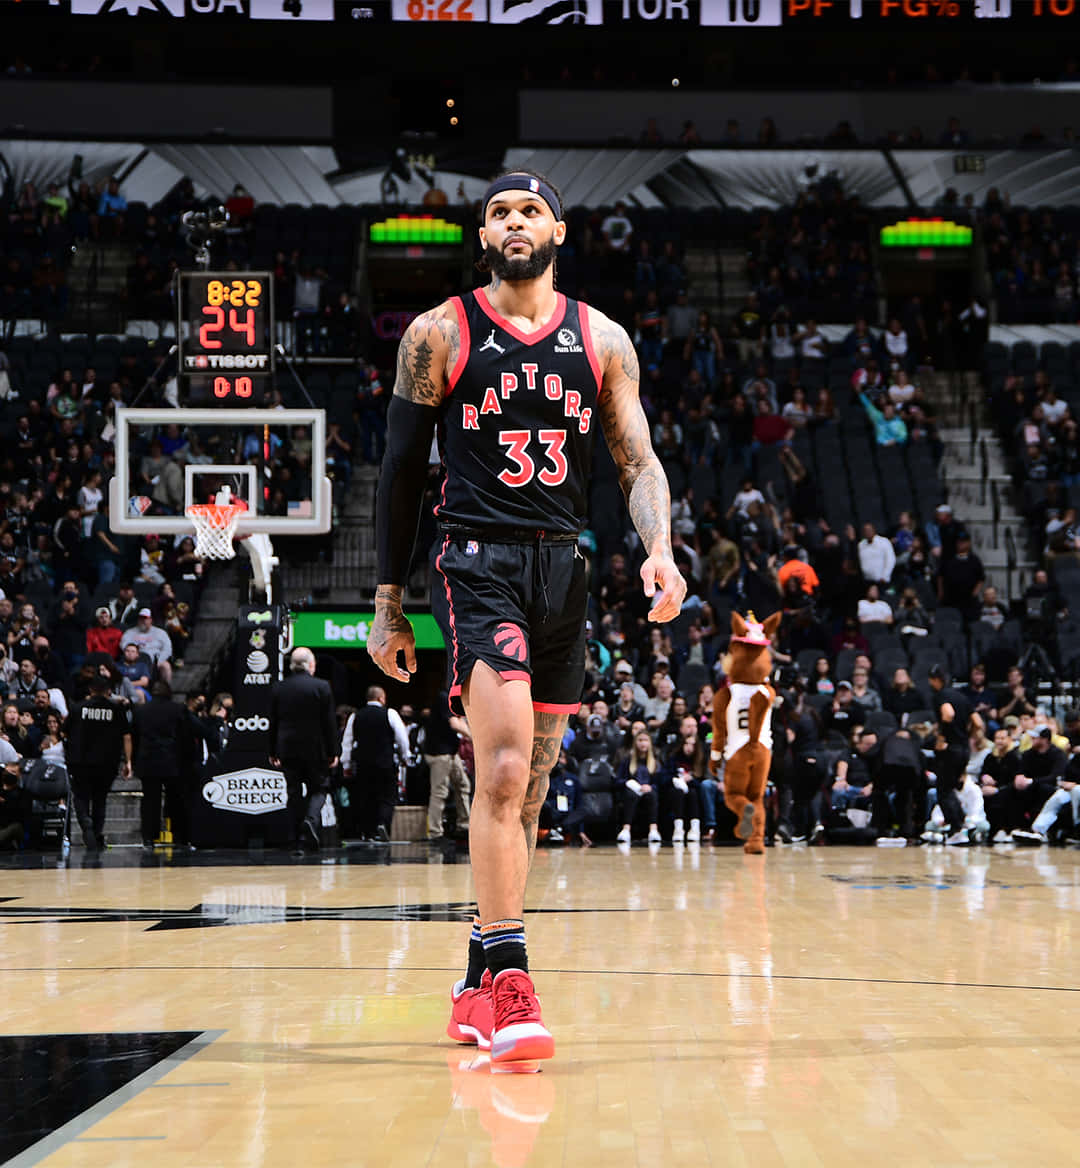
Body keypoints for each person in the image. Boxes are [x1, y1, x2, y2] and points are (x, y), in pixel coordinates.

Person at [367, 169, 686, 1067]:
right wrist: (389, 603)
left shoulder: (602, 338)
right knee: (502, 769)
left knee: (533, 792)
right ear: (484, 235)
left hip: (565, 569)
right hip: (476, 561)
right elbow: (398, 474)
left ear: (558, 229)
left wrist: (658, 548)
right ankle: (512, 984)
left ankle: (474, 980)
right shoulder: (438, 333)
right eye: (499, 211)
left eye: (530, 210)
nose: (515, 221)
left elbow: (639, 461)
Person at [268, 647, 339, 852]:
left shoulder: (278, 688)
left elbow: (273, 722)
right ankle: (310, 820)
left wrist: (272, 750)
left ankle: (296, 838)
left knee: (293, 792)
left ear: (292, 665)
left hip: (287, 748)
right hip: (315, 749)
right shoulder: (322, 686)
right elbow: (329, 723)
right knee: (319, 788)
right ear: (311, 665)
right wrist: (334, 752)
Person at [65, 672, 133, 851]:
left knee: (80, 796)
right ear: (108, 691)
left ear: (90, 689)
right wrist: (128, 762)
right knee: (100, 799)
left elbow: (65, 732)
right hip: (106, 762)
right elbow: (126, 736)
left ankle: (86, 824)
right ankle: (96, 833)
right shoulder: (116, 710)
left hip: (80, 762)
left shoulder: (78, 708)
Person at [340, 685, 411, 842]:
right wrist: (405, 756)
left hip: (363, 763)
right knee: (387, 796)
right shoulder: (390, 713)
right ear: (381, 698)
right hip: (385, 762)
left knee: (366, 797)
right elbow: (402, 738)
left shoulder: (355, 716)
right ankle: (383, 824)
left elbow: (347, 742)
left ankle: (368, 832)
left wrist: (346, 765)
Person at [133, 680, 195, 849]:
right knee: (176, 800)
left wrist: (133, 761)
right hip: (172, 761)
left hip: (148, 761)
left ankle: (148, 838)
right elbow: (186, 737)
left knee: (150, 801)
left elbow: (135, 738)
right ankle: (180, 836)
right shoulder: (178, 709)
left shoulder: (141, 711)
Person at [420, 691, 472, 841]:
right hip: (439, 753)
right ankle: (435, 832)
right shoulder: (444, 698)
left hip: (450, 752)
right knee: (439, 791)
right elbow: (455, 724)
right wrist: (473, 738)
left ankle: (464, 826)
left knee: (463, 785)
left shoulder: (455, 701)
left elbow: (460, 721)